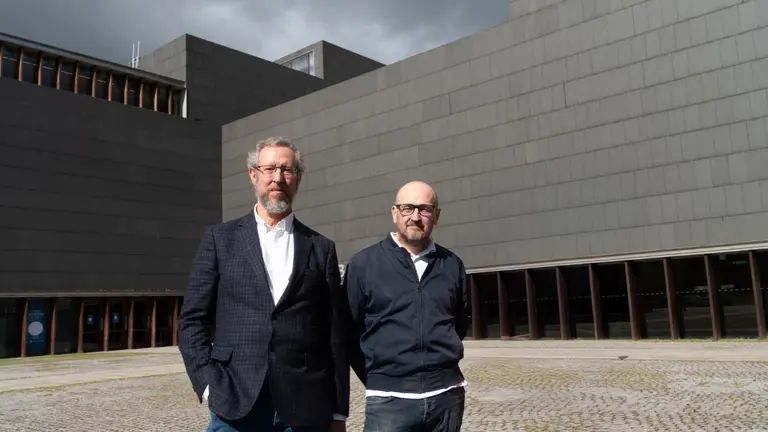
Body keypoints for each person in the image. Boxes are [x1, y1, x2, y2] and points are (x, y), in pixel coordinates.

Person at [178, 136, 348, 432]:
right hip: (235, 403)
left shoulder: (321, 248)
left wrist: (338, 413)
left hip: (305, 408)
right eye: (269, 169)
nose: (278, 178)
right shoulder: (220, 240)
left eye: (287, 170)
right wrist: (207, 385)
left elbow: (334, 334)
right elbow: (192, 320)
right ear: (253, 175)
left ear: (298, 179)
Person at [344, 181, 469, 432]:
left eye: (424, 209)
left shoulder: (452, 265)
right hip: (388, 401)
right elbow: (348, 333)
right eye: (407, 208)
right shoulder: (363, 265)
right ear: (394, 213)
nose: (415, 217)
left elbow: (460, 323)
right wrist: (380, 378)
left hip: (446, 398)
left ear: (436, 215)